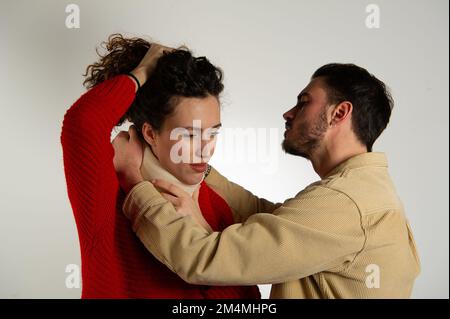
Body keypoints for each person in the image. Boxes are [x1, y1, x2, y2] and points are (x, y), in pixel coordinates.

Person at [114, 63, 421, 298]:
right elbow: (270, 218)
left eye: (303, 102)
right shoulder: (361, 191)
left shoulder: (346, 204)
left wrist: (134, 180)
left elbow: (203, 259)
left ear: (339, 113)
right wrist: (199, 167)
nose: (288, 113)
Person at [61, 34, 265, 298]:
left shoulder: (217, 201)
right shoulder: (110, 194)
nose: (206, 149)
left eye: (212, 133)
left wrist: (204, 233)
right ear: (150, 134)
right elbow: (83, 123)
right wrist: (142, 71)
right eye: (189, 135)